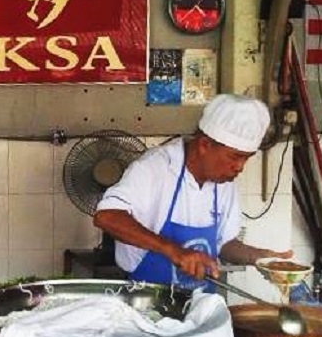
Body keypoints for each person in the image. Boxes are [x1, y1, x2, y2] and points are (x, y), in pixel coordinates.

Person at [93, 93, 291, 291]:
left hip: (201, 304)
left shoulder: (224, 182)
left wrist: (260, 258)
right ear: (205, 145)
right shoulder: (156, 167)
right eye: (235, 157)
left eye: (247, 158)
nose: (240, 167)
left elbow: (224, 244)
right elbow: (107, 217)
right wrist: (173, 251)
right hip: (146, 300)